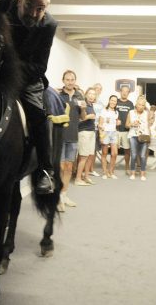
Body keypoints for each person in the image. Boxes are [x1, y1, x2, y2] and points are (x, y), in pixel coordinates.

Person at [8, 0, 57, 195]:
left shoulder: (48, 25)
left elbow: (40, 65)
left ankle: (46, 171)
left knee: (37, 115)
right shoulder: (1, 8)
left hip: (28, 78)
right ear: (20, 0)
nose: (34, 13)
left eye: (40, 9)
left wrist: (12, 70)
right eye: (29, 5)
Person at [58, 70, 85, 211]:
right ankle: (58, 196)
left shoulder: (79, 95)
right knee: (61, 167)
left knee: (69, 167)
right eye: (67, 79)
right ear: (63, 81)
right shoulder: (57, 95)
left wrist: (84, 109)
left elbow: (82, 117)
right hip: (60, 136)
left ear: (75, 80)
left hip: (73, 137)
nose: (70, 81)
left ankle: (64, 195)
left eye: (72, 79)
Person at [126, 96, 153, 181]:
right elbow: (126, 125)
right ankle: (133, 173)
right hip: (133, 135)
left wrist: (150, 136)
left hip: (144, 136)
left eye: (142, 105)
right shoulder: (131, 112)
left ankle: (143, 174)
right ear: (136, 105)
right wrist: (132, 124)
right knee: (133, 155)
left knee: (143, 156)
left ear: (144, 106)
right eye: (139, 104)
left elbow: (148, 125)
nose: (141, 106)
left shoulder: (146, 113)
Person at [75, 87, 97, 186]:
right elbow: (79, 119)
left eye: (94, 94)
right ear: (86, 95)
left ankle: (86, 176)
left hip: (91, 132)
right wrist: (89, 116)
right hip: (84, 132)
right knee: (83, 157)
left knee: (89, 157)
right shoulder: (82, 104)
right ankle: (78, 179)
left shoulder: (91, 105)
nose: (92, 96)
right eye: (90, 94)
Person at [99, 95, 119, 179]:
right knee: (104, 153)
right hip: (105, 133)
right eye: (112, 100)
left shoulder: (116, 112)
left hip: (113, 133)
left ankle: (111, 171)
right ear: (109, 100)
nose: (113, 102)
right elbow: (100, 124)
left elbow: (115, 123)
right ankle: (105, 172)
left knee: (114, 153)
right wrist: (101, 135)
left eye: (115, 101)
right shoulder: (104, 110)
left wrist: (118, 123)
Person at [116, 86, 134, 175]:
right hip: (116, 130)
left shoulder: (130, 104)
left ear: (128, 93)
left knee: (127, 150)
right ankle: (112, 168)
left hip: (126, 130)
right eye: (123, 91)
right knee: (114, 151)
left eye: (126, 91)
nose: (124, 93)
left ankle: (127, 167)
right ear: (120, 91)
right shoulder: (116, 101)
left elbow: (133, 116)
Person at [90, 83, 104, 177]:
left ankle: (91, 169)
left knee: (94, 150)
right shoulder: (88, 101)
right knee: (86, 151)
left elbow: (102, 117)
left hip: (97, 129)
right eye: (96, 88)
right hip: (88, 128)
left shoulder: (101, 104)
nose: (97, 90)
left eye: (99, 89)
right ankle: (84, 169)